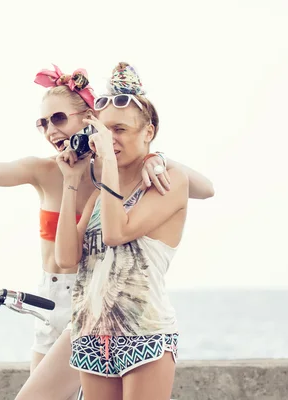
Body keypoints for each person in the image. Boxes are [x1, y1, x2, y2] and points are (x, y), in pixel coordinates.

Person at [0, 63, 213, 390]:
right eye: (42, 123)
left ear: (90, 121)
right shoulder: (48, 171)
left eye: (58, 118)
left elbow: (202, 189)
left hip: (99, 306)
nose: (50, 130)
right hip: (51, 303)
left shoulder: (112, 169)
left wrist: (159, 157)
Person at [53, 62, 187, 400]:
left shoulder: (169, 183)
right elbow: (66, 259)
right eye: (103, 130)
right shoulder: (102, 193)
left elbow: (116, 233)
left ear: (148, 132)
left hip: (144, 333)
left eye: (120, 130)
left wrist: (108, 161)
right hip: (90, 333)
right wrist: (71, 183)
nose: (109, 139)